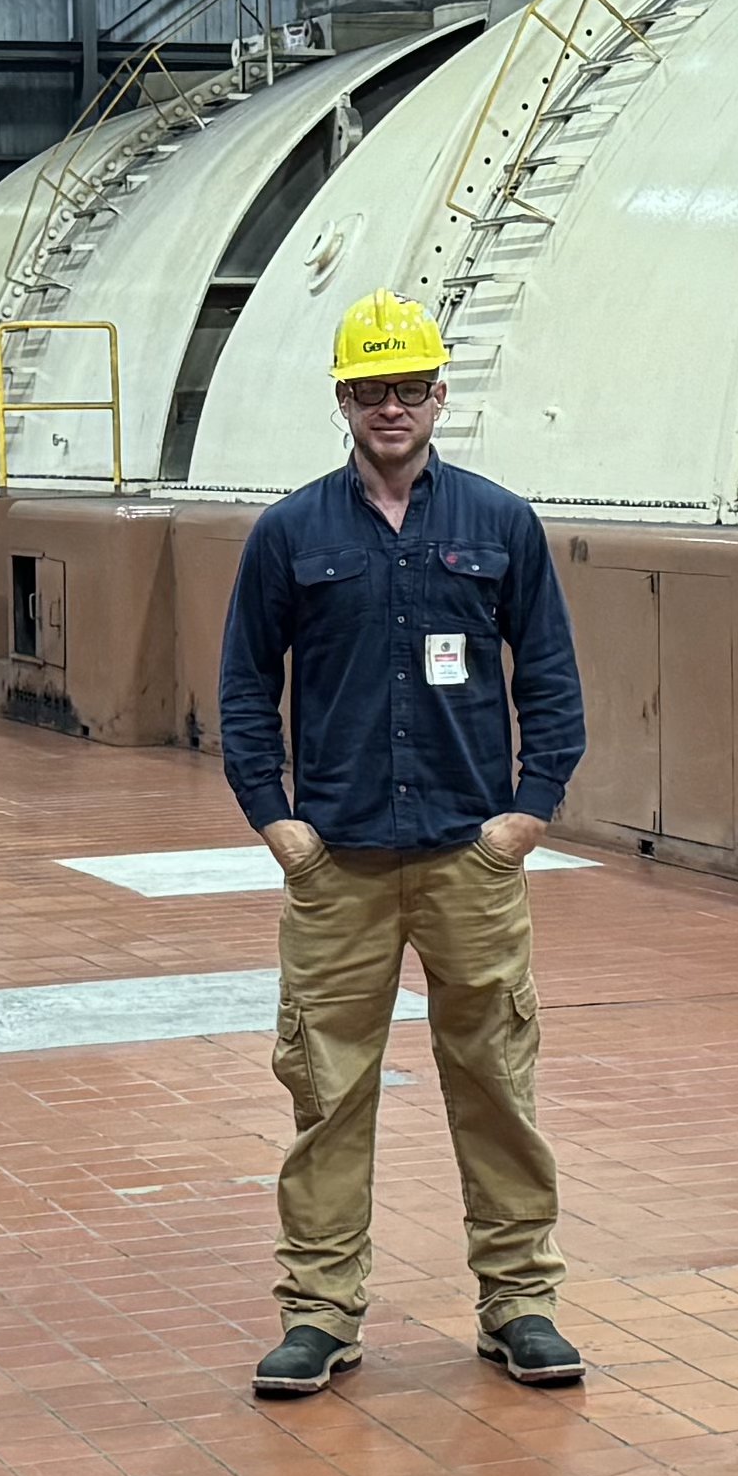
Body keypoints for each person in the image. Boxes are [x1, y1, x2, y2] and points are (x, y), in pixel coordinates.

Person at [216, 287, 585, 1399]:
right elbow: (243, 686)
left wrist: (522, 820)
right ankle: (320, 1314)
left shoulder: (497, 524)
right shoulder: (291, 534)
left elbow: (554, 682)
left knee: (496, 1081)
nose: (391, 407)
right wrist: (277, 824)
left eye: (409, 388)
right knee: (327, 1094)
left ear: (439, 394)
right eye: (371, 389)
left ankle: (519, 1301)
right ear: (343, 399)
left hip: (467, 861)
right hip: (337, 867)